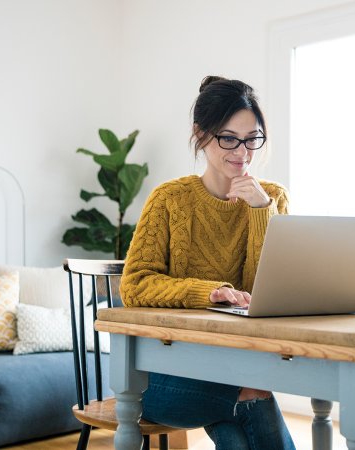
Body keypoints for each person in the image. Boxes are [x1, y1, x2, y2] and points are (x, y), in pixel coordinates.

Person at [120, 75, 295, 449]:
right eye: (228, 138)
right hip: (164, 375)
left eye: (252, 139)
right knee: (253, 392)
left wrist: (260, 211)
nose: (242, 152)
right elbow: (134, 284)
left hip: (236, 364)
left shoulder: (272, 199)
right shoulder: (170, 200)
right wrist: (208, 292)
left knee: (237, 434)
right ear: (200, 135)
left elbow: (268, 294)